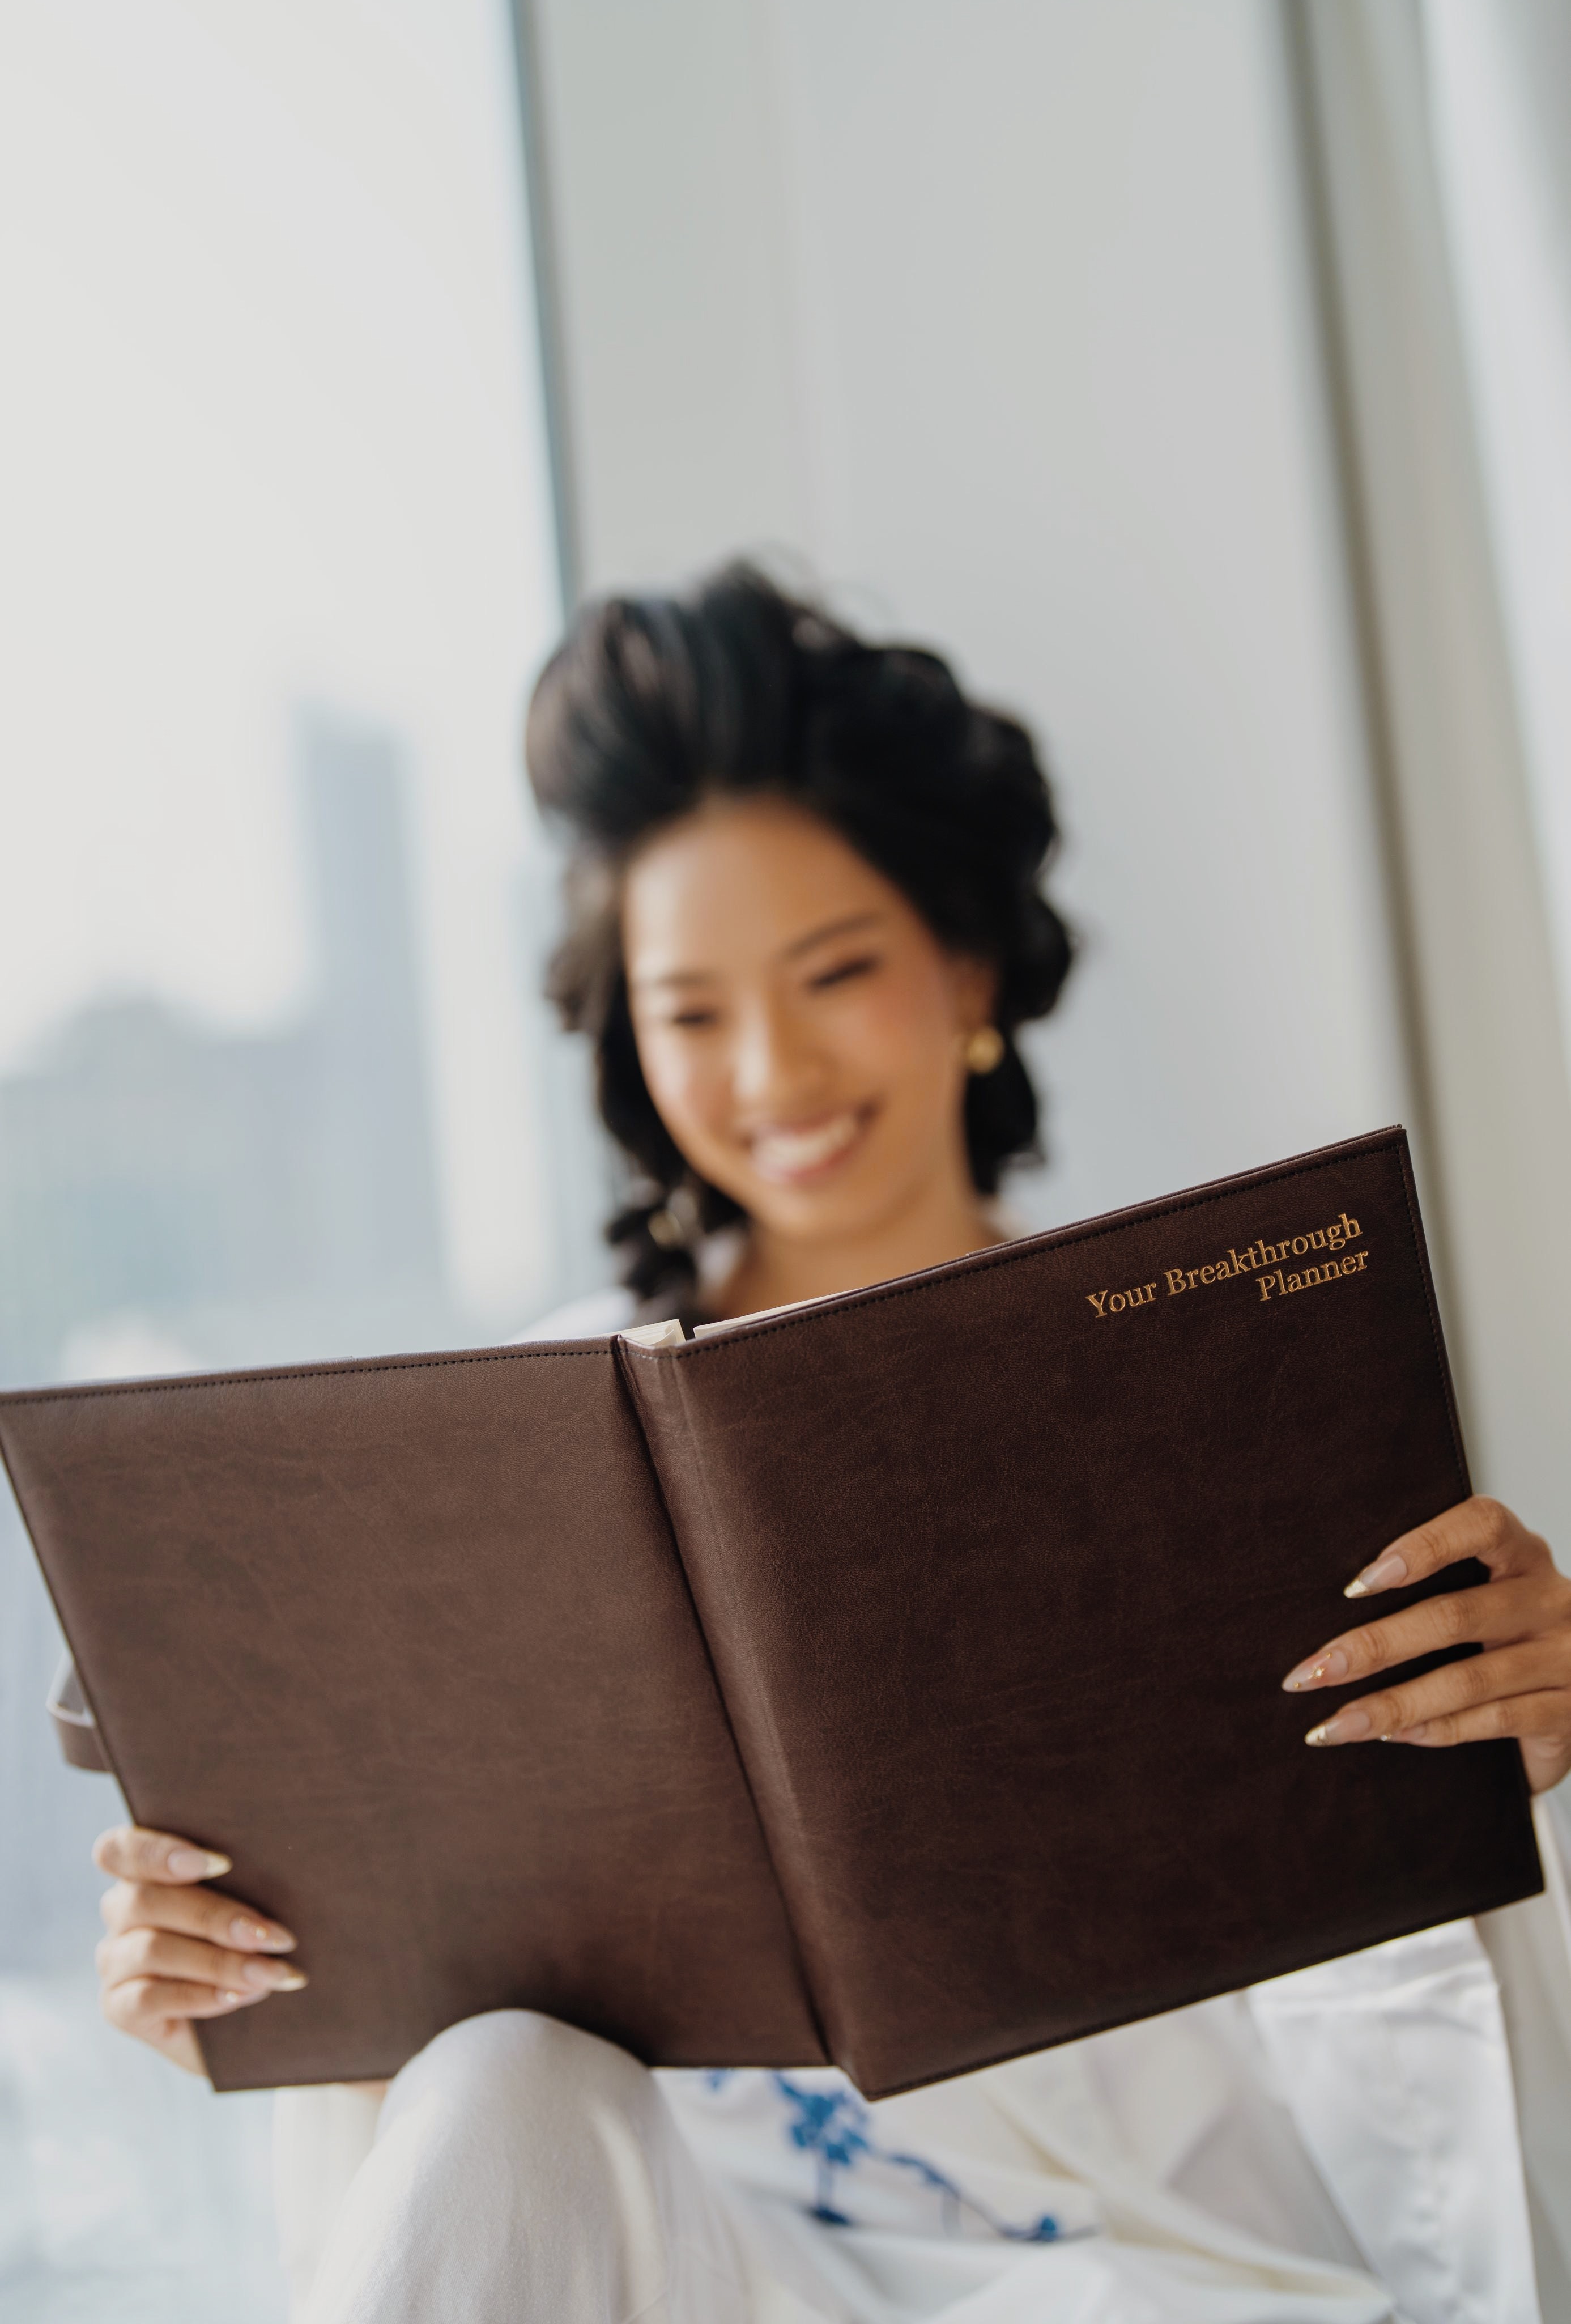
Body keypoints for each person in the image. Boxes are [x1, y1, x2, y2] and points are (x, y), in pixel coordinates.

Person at [91, 568, 1571, 2321]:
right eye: (695, 1010)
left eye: (835, 970)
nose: (773, 1068)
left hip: (1144, 2261)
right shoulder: (522, 1451)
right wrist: (253, 1981)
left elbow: (1402, 2018)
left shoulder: (1198, 1378)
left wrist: (1521, 1752)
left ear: (962, 966)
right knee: (499, 2094)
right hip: (719, 2256)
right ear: (632, 1045)